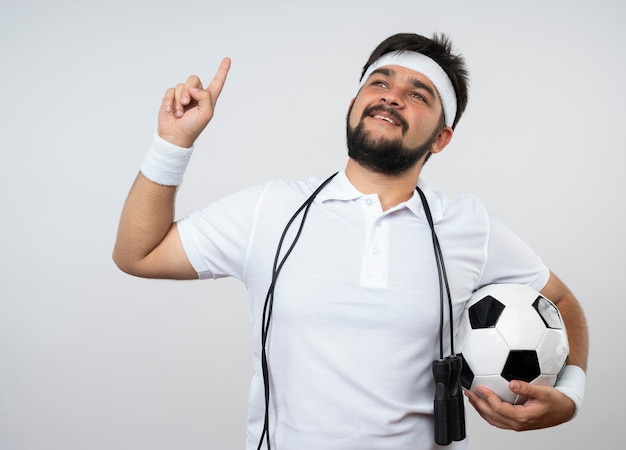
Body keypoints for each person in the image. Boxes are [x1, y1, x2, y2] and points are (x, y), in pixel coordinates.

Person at [113, 33, 589, 449]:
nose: (392, 97)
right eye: (379, 83)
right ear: (354, 104)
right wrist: (172, 144)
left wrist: (571, 395)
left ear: (441, 139)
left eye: (418, 93)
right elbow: (139, 253)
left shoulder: (467, 224)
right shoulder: (272, 209)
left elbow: (561, 301)